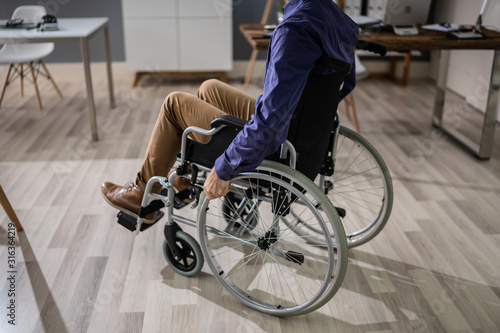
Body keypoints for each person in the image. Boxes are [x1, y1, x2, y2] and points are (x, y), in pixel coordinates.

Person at [101, 0, 359, 223]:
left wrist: (225, 168)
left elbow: (269, 122)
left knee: (174, 104)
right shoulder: (336, 18)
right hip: (303, 133)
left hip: (279, 143)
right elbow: (346, 84)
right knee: (210, 88)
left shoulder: (295, 29)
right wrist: (309, 112)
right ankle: (184, 178)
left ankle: (142, 193)